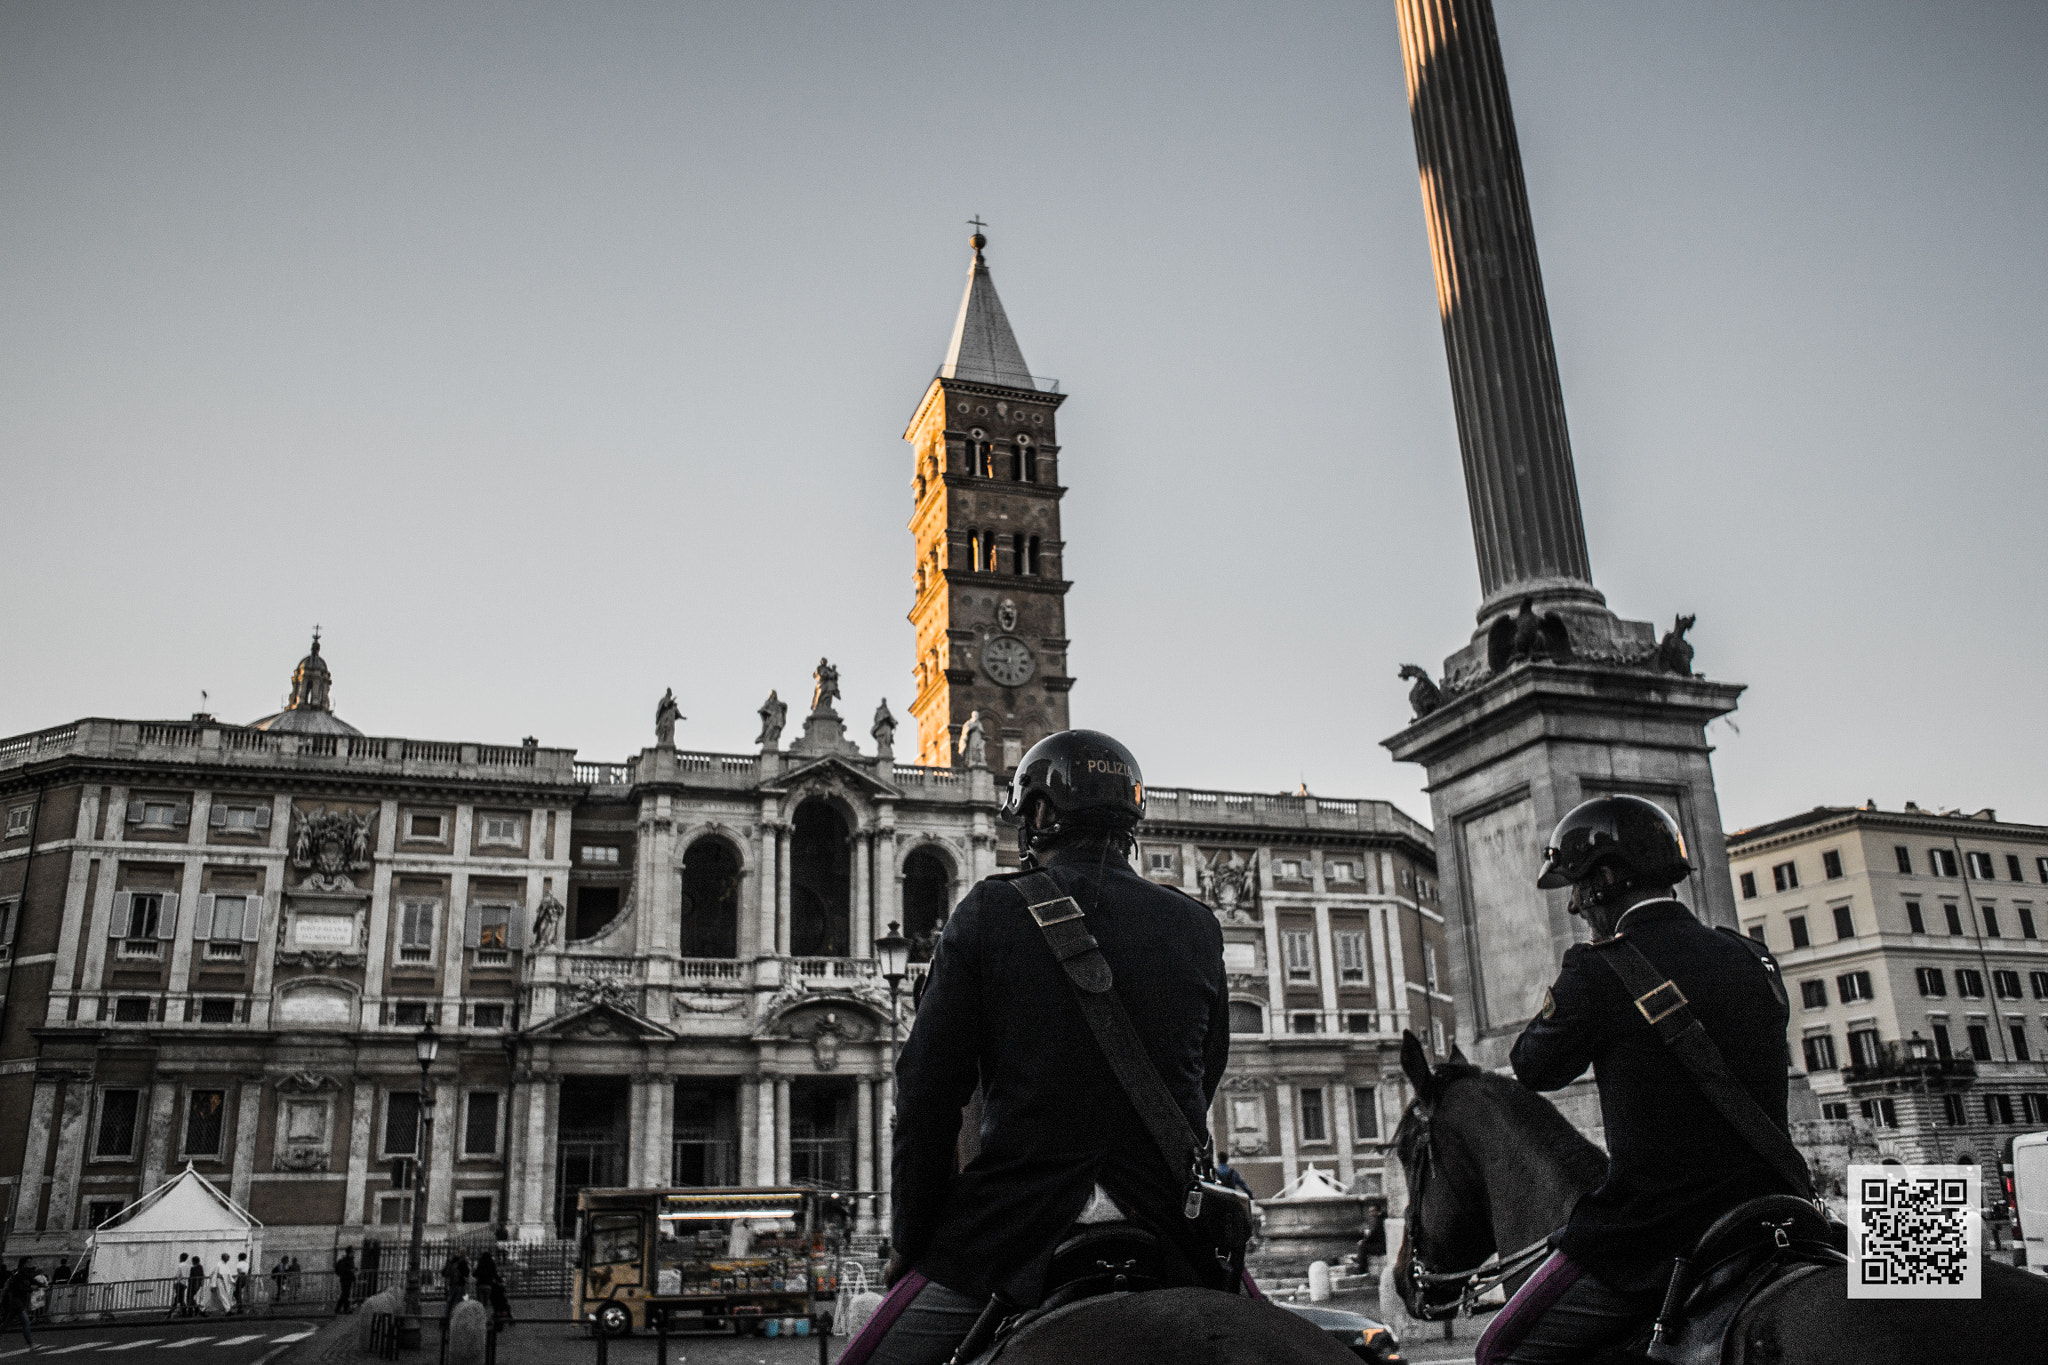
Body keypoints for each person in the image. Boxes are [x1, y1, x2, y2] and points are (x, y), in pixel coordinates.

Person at [848, 730, 1232, 1365]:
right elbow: (1204, 1073)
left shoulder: (989, 912)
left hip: (1015, 1225)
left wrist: (911, 1242)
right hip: (1172, 1225)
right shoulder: (1197, 925)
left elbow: (925, 1099)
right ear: (1131, 817)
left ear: (1042, 815)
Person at [1475, 796, 1801, 1365]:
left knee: (1499, 1352)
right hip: (1786, 1209)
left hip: (1658, 1234)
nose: (1574, 905)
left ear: (1605, 879)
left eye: (1576, 885)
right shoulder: (1752, 957)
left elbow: (1534, 1066)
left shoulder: (1599, 968)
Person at [2, 1259, 36, 1349]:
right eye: (28, 1262)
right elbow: (19, 1288)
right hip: (16, 1301)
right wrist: (31, 1289)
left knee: (7, 1322)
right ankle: (31, 1344)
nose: (30, 1264)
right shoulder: (18, 1275)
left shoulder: (20, 1274)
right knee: (25, 1322)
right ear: (24, 1264)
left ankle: (31, 1344)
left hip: (16, 1301)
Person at [473, 1250, 510, 1324]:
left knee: (480, 1303)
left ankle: (480, 1317)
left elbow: (475, 1274)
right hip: (488, 1286)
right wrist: (501, 1280)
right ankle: (485, 1317)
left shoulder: (480, 1264)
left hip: (480, 1285)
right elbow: (495, 1275)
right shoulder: (491, 1263)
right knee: (486, 1303)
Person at [444, 1250, 470, 1314]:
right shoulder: (463, 1262)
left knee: (450, 1301)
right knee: (459, 1301)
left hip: (452, 1284)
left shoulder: (452, 1262)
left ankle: (447, 1315)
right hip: (460, 1284)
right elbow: (466, 1273)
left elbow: (445, 1273)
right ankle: (456, 1315)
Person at [334, 1247, 357, 1314]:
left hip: (346, 1279)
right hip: (346, 1279)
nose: (354, 1253)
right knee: (345, 1294)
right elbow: (344, 1269)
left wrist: (353, 1269)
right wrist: (351, 1270)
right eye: (353, 1252)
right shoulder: (347, 1260)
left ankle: (341, 1309)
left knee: (345, 1294)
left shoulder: (348, 1260)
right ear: (350, 1252)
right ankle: (344, 1309)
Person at [170, 1252, 191, 1318]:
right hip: (185, 1283)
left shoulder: (180, 1265)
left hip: (180, 1283)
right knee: (180, 1298)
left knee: (178, 1299)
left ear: (181, 1258)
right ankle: (183, 1312)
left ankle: (171, 1313)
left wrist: (174, 1279)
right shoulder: (188, 1266)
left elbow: (178, 1274)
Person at [186, 1252, 206, 1317]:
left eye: (192, 1261)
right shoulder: (201, 1267)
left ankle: (193, 1310)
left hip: (192, 1284)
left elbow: (191, 1277)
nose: (192, 1262)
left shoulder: (193, 1268)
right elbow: (202, 1275)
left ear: (194, 1261)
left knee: (189, 1298)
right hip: (197, 1285)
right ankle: (196, 1309)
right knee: (191, 1298)